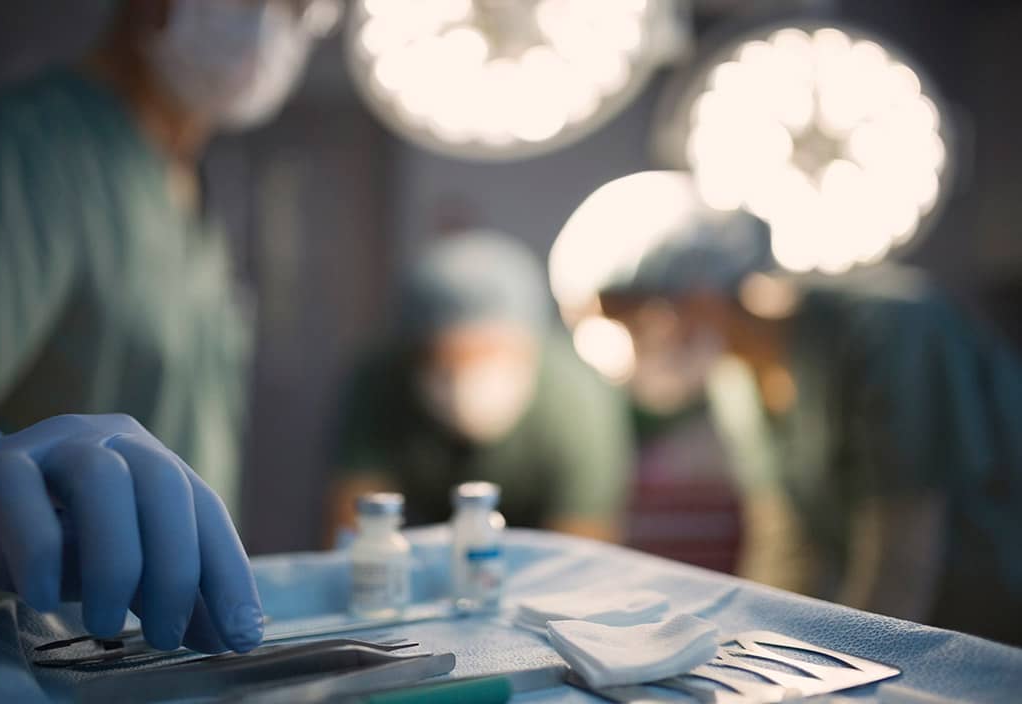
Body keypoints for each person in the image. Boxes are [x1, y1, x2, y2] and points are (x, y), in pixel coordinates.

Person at [0, 0, 329, 689]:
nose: (273, 22)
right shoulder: (22, 149)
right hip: (0, 669)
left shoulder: (186, 190)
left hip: (140, 666)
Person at [598, 197, 1022, 645]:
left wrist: (852, 665)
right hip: (894, 615)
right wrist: (753, 649)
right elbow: (783, 536)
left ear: (701, 297)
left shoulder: (892, 326)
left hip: (984, 615)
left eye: (637, 325)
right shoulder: (733, 373)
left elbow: (904, 544)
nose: (635, 347)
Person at [328, 231, 633, 543]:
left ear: (531, 345)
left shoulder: (579, 400)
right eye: (445, 361)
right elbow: (355, 539)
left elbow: (583, 554)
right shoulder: (379, 382)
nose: (466, 384)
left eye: (489, 354)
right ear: (412, 356)